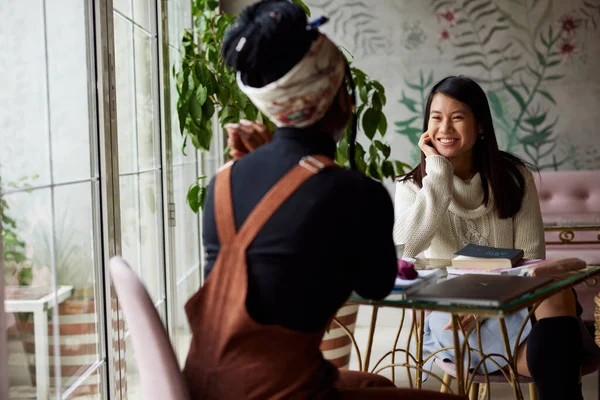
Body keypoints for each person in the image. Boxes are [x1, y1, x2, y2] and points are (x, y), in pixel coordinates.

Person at [182, 1, 464, 399]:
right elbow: (376, 283)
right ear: (341, 95)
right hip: (289, 392)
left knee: (375, 383)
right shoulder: (353, 193)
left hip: (211, 389)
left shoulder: (223, 182)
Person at [393, 75, 599, 400]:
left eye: (457, 117)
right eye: (436, 118)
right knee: (559, 353)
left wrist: (488, 305)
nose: (444, 128)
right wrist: (438, 175)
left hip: (519, 300)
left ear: (481, 126)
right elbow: (408, 249)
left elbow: (532, 260)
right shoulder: (411, 186)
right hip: (454, 315)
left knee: (556, 295)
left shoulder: (515, 178)